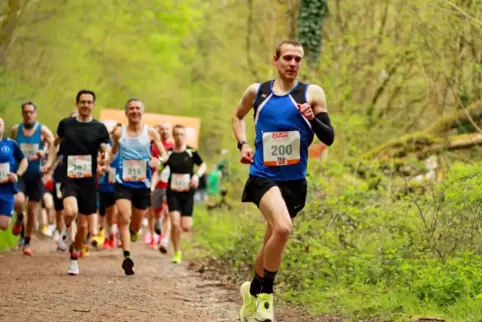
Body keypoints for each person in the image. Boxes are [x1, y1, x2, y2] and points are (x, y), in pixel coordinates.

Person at [232, 40, 335, 322]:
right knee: (284, 228)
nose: (293, 63)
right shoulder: (258, 91)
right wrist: (242, 144)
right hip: (263, 176)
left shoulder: (311, 93)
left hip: (294, 181)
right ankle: (266, 297)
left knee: (273, 239)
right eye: (287, 58)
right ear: (275, 60)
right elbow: (237, 116)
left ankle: (250, 290)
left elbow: (329, 137)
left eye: (298, 59)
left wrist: (313, 119)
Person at [44, 89, 111, 276]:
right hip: (70, 176)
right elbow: (55, 144)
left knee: (83, 226)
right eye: (82, 102)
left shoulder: (99, 128)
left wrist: (104, 162)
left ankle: (74, 258)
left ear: (93, 105)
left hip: (89, 180)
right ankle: (66, 232)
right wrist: (50, 162)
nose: (86, 105)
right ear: (77, 103)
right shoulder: (66, 124)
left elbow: (106, 150)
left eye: (89, 102)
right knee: (70, 211)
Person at [110, 98, 167, 275]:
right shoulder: (119, 133)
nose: (134, 111)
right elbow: (112, 152)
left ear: (142, 112)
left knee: (134, 223)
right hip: (123, 182)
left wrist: (159, 160)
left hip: (142, 184)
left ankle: (134, 231)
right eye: (131, 109)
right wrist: (105, 161)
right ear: (126, 113)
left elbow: (164, 153)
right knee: (123, 217)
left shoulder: (151, 133)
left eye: (137, 108)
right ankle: (127, 256)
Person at [11, 100, 55, 256]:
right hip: (20, 174)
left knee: (32, 210)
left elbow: (53, 145)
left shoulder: (43, 130)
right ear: (22, 113)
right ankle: (18, 217)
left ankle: (27, 242)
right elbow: (11, 149)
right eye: (26, 112)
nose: (28, 115)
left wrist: (47, 161)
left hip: (36, 175)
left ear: (35, 113)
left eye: (31, 112)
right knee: (19, 201)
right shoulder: (16, 130)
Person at [161, 124, 206, 264]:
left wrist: (196, 176)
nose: (179, 137)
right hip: (173, 192)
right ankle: (177, 252)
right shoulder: (169, 153)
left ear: (185, 136)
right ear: (173, 136)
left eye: (182, 134)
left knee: (186, 226)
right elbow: (158, 169)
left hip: (188, 193)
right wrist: (151, 185)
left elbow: (203, 165)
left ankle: (178, 244)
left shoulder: (191, 151)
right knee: (175, 223)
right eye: (177, 134)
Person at [0, 118, 28, 231]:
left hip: (7, 188)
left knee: (4, 226)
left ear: (3, 128)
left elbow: (24, 161)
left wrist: (18, 175)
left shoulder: (11, 143)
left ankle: (20, 217)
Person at [97, 120, 120, 250]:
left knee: (121, 211)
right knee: (107, 212)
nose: (109, 134)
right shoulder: (100, 146)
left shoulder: (121, 145)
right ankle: (109, 235)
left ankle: (118, 234)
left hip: (122, 182)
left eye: (112, 132)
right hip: (106, 183)